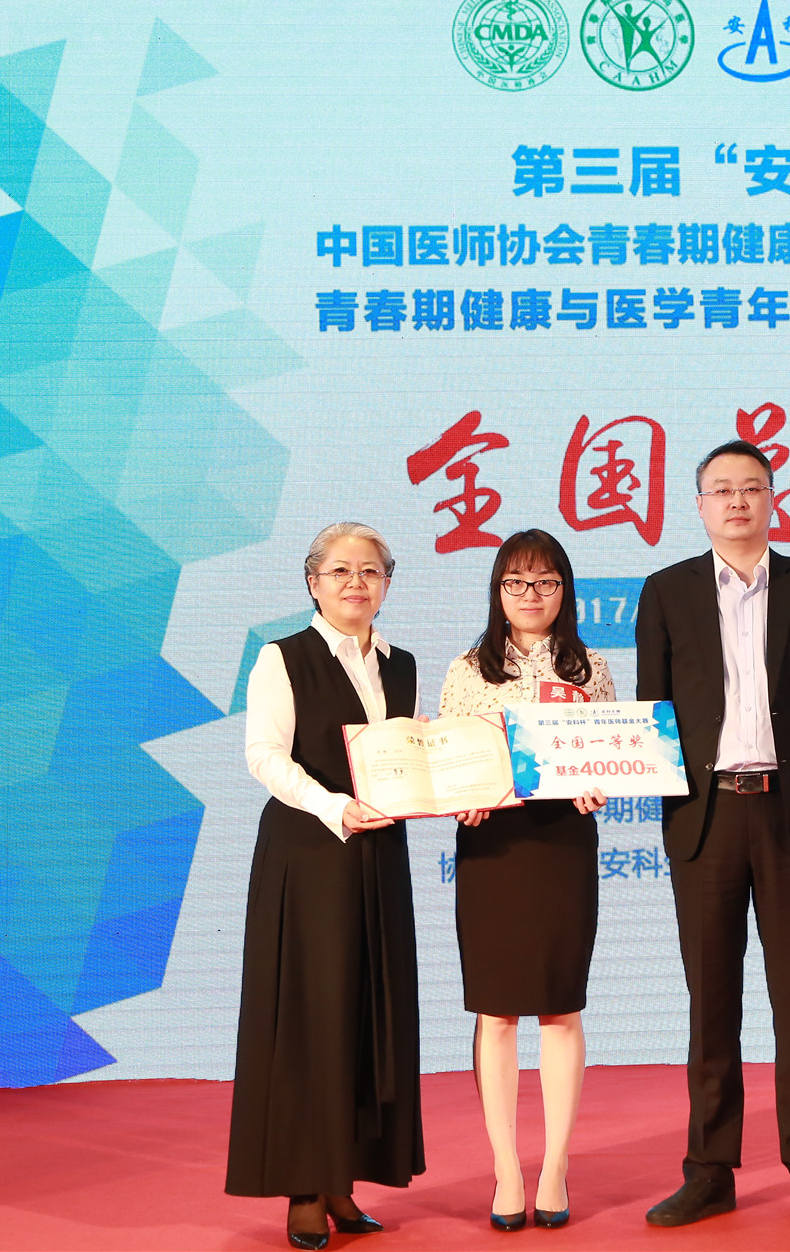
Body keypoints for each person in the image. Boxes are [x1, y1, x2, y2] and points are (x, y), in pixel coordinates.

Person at [635, 440, 790, 1230]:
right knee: (711, 999)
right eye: (721, 489)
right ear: (699, 504)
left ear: (772, 498)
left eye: (751, 488)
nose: (737, 501)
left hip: (788, 810)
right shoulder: (665, 591)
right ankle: (708, 1170)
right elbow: (655, 705)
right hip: (704, 817)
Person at [227, 522, 423, 1249]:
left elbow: (402, 757)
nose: (355, 583)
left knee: (368, 1011)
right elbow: (264, 755)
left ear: (387, 583)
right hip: (309, 856)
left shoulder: (401, 664)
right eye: (340, 570)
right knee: (310, 1017)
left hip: (381, 857)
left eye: (370, 570)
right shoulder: (282, 657)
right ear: (312, 581)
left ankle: (344, 1176)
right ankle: (305, 1187)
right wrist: (334, 806)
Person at [439, 529, 611, 1231]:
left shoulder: (590, 667)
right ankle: (507, 1169)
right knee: (497, 1011)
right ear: (498, 591)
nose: (531, 595)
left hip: (562, 844)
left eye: (545, 582)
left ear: (565, 590)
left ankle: (555, 1166)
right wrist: (460, 793)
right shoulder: (466, 669)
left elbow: (608, 753)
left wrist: (597, 784)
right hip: (493, 846)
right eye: (516, 582)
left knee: (561, 1007)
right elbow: (448, 759)